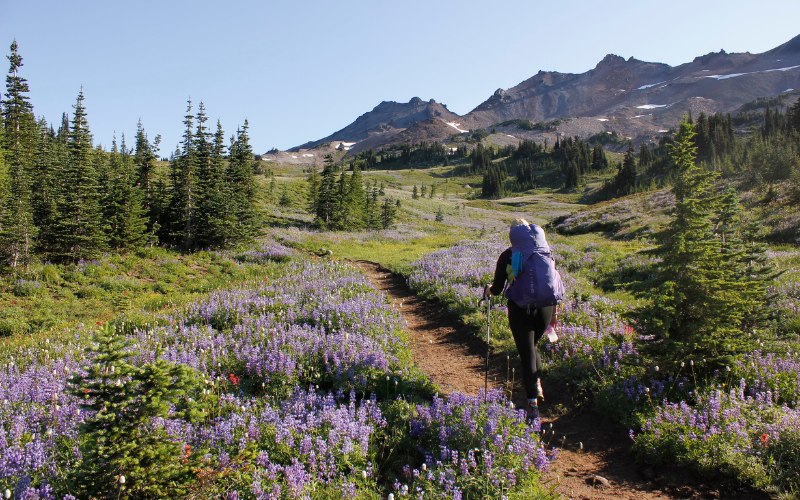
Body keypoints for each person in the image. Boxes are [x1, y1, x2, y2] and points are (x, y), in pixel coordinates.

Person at [483, 219, 564, 423]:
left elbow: (498, 288)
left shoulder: (508, 255)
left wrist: (488, 290)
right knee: (533, 346)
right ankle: (536, 383)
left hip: (520, 309)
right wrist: (554, 314)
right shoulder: (544, 251)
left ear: (512, 234)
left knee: (527, 352)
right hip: (545, 308)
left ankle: (532, 405)